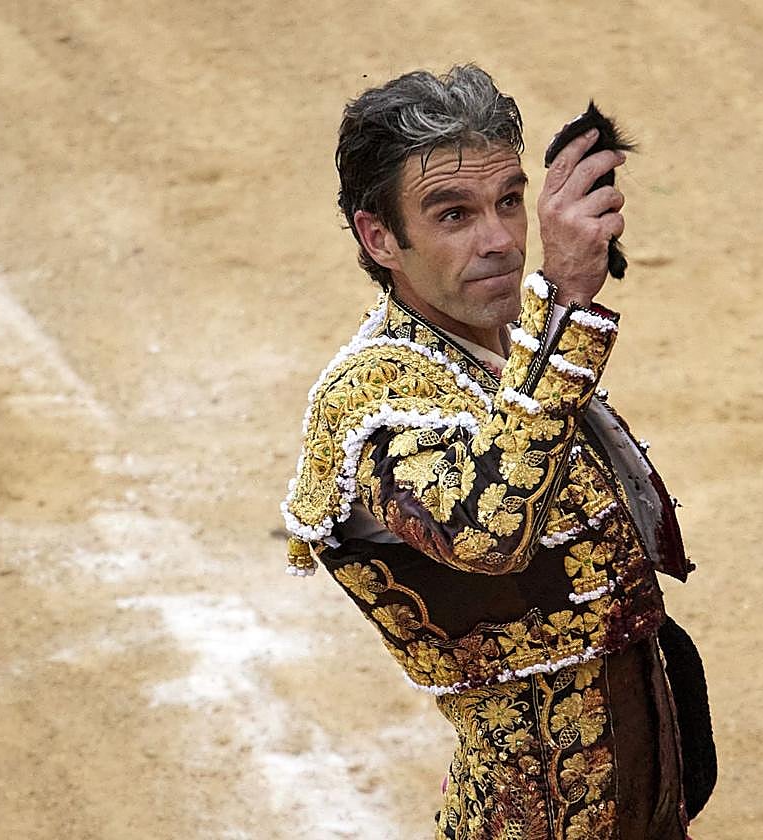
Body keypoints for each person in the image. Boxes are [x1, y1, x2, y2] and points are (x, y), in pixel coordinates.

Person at [280, 64, 706, 839]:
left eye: (510, 201)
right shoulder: (371, 401)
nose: (503, 240)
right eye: (454, 214)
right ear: (380, 238)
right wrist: (563, 304)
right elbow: (486, 531)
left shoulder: (500, 357)